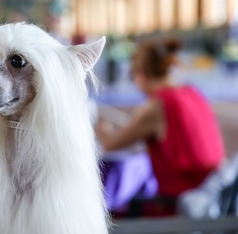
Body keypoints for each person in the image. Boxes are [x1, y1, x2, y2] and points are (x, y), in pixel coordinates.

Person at [96, 39, 225, 215]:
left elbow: (110, 145)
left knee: (113, 210)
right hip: (210, 199)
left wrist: (103, 129)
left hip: (179, 207)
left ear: (140, 74)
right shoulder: (192, 93)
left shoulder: (157, 105)